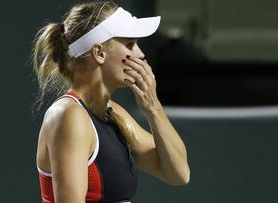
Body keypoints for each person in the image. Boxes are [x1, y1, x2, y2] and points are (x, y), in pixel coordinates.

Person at [32, 1, 190, 203]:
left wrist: (153, 107)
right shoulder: (68, 116)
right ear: (99, 53)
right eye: (130, 44)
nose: (141, 54)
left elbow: (178, 174)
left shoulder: (114, 113)